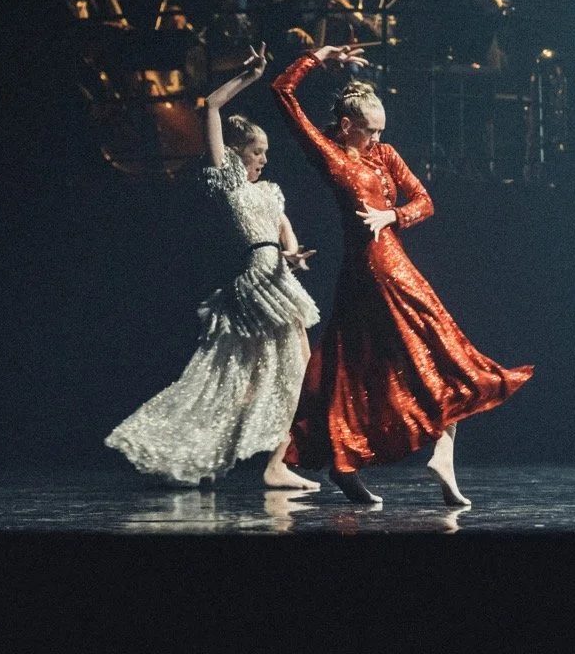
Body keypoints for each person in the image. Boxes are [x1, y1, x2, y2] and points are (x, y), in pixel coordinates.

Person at [272, 46, 532, 504]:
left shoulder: (385, 155)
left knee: (364, 371)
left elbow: (425, 201)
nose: (376, 138)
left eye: (380, 131)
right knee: (439, 356)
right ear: (349, 126)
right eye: (369, 131)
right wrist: (318, 57)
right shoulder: (328, 152)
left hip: (381, 269)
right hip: (376, 273)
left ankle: (357, 467)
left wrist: (391, 216)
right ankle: (409, 458)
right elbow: (283, 91)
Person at [106, 44, 323, 489]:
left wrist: (293, 253)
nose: (262, 159)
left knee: (269, 375)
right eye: (256, 151)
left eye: (265, 152)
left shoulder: (270, 191)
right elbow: (212, 106)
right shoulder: (229, 182)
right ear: (238, 152)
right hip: (256, 281)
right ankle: (265, 464)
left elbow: (282, 229)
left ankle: (254, 460)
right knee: (281, 371)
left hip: (276, 276)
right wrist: (251, 77)